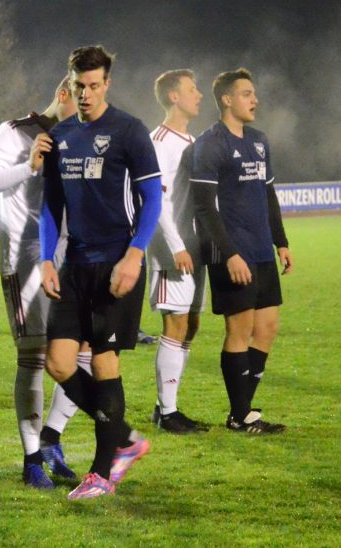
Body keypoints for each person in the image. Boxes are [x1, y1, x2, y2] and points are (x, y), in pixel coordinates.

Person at [39, 45, 162, 500]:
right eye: (78, 86)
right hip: (74, 265)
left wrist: (135, 253)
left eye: (93, 86)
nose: (86, 94)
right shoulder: (61, 137)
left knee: (106, 364)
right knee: (58, 361)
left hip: (117, 265)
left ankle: (100, 473)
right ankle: (125, 439)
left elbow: (153, 200)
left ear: (106, 83)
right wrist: (47, 257)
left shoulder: (129, 131)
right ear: (68, 84)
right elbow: (51, 206)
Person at [0, 77, 89, 489]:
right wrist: (28, 167)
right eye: (80, 97)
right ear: (63, 94)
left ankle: (52, 437)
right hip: (25, 262)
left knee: (85, 351)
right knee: (35, 358)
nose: (87, 105)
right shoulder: (16, 131)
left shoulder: (86, 136)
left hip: (72, 261)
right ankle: (31, 458)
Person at [190, 68, 293, 434]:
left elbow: (268, 195)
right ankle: (242, 415)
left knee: (266, 328)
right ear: (227, 99)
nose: (255, 100)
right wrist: (230, 253)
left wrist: (281, 241)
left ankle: (242, 410)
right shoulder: (209, 144)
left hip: (262, 251)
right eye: (247, 93)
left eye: (254, 93)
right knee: (239, 331)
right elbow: (204, 207)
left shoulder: (259, 141)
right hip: (231, 254)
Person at [146, 70, 210, 434]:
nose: (198, 95)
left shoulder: (191, 139)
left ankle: (166, 407)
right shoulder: (159, 142)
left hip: (195, 246)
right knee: (176, 324)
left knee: (192, 326)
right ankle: (167, 414)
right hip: (173, 250)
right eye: (191, 89)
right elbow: (158, 201)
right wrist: (177, 246)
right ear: (174, 96)